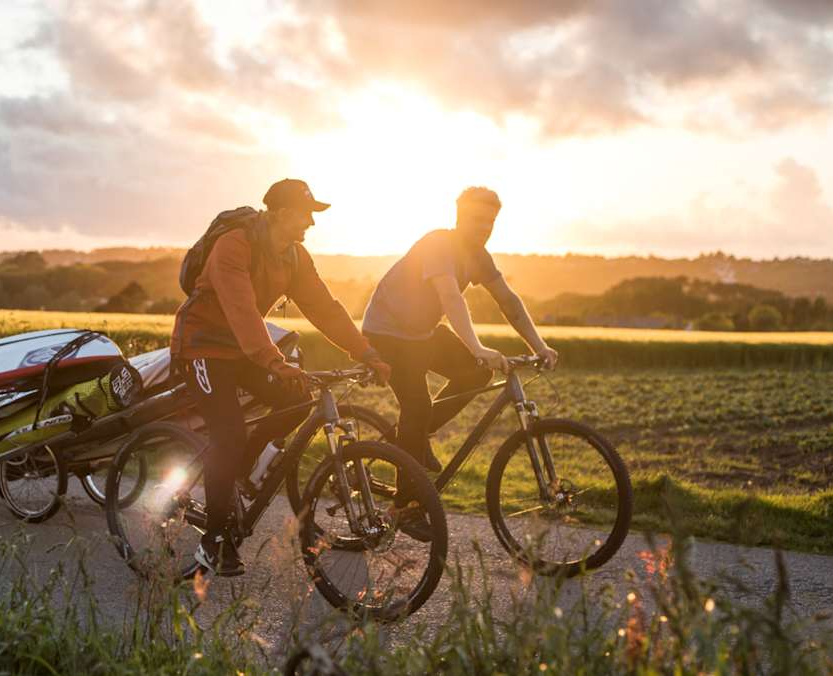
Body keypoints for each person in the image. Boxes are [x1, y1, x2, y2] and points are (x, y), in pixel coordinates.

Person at [172, 178, 392, 577]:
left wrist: (366, 352)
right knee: (229, 434)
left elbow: (324, 307)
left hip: (244, 351)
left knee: (298, 399)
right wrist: (274, 361)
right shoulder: (235, 244)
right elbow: (241, 310)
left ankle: (237, 472)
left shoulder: (294, 256)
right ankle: (214, 541)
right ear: (283, 213)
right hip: (203, 347)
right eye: (307, 214)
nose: (311, 223)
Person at [361, 186, 558, 517]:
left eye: (491, 222)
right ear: (458, 215)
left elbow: (508, 301)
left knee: (476, 373)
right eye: (477, 219)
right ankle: (406, 505)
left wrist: (539, 346)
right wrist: (478, 346)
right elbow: (451, 298)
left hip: (421, 333)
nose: (484, 228)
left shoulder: (479, 256)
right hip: (387, 333)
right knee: (418, 404)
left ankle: (414, 437)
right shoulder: (439, 243)